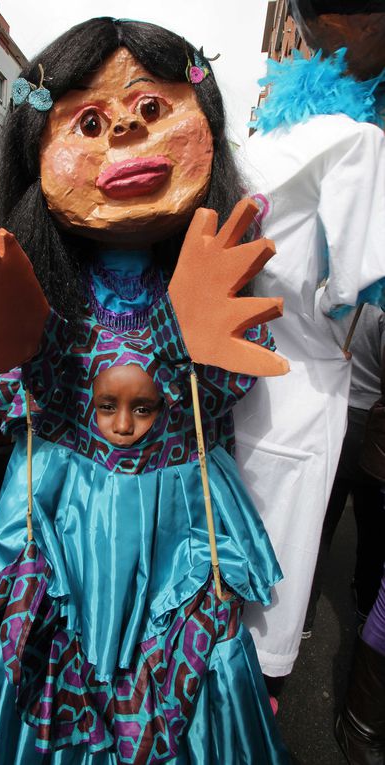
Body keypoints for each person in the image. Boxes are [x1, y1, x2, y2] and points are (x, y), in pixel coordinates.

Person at [0, 19, 290, 764]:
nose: (125, 128)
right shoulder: (47, 286)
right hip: (62, 512)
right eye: (89, 121)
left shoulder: (207, 274)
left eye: (152, 108)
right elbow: (12, 399)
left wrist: (204, 344)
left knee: (185, 693)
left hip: (178, 517)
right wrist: (18, 349)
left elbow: (231, 386)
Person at [233, 0, 385, 681]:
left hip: (234, 385)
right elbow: (361, 283)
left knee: (217, 589)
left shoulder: (263, 141)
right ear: (361, 24)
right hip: (304, 398)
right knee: (268, 607)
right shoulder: (359, 141)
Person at [304, 305, 385, 636]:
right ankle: (366, 604)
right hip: (369, 421)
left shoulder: (325, 294)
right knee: (372, 526)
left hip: (328, 411)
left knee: (320, 522)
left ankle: (303, 613)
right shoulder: (378, 305)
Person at [335, 350, 385, 763]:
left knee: (326, 526)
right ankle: (362, 602)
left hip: (348, 409)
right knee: (369, 536)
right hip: (362, 420)